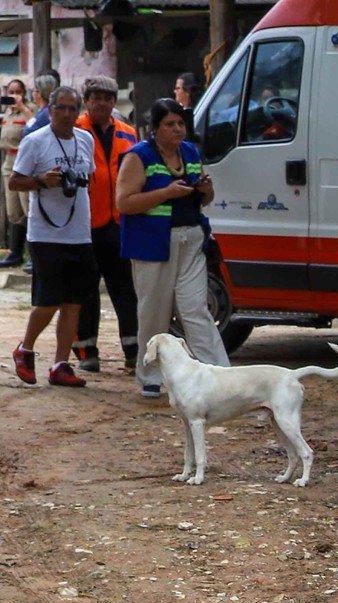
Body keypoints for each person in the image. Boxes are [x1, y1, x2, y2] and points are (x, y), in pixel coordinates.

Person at [116, 97, 229, 398]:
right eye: (170, 124)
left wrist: (205, 191)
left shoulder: (190, 151)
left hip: (190, 239)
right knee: (154, 312)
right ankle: (150, 377)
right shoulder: (138, 156)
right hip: (152, 242)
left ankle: (220, 374)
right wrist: (165, 192)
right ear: (155, 128)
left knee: (196, 309)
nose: (177, 129)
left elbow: (205, 198)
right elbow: (124, 203)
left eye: (180, 123)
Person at [9, 85, 95, 387]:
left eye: (73, 108)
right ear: (51, 109)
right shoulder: (35, 141)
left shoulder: (86, 139)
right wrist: (41, 181)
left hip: (79, 232)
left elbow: (89, 179)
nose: (67, 114)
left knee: (73, 302)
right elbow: (14, 182)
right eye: (62, 107)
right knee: (48, 301)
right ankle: (26, 348)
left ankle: (61, 363)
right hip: (45, 233)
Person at [73, 75, 141, 374]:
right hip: (84, 223)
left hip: (119, 223)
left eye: (107, 98)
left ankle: (133, 350)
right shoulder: (73, 130)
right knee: (85, 290)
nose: (102, 102)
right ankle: (87, 351)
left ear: (115, 102)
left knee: (125, 289)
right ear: (86, 101)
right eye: (96, 97)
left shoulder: (128, 134)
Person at [0, 79, 32, 270]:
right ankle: (15, 253)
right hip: (9, 161)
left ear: (24, 93)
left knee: (28, 208)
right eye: (11, 91)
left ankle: (34, 256)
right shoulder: (8, 111)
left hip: (23, 162)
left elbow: (34, 127)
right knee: (13, 211)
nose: (14, 95)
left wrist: (23, 107)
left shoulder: (28, 110)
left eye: (18, 91)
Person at [22, 70, 62, 137]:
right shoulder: (44, 111)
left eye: (34, 90)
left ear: (39, 93)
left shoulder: (47, 113)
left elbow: (30, 131)